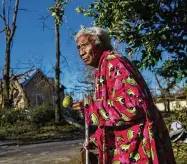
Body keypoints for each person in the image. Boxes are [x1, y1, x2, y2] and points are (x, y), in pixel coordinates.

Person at [73, 26, 176, 164]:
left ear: (99, 43)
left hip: (140, 146)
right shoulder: (101, 70)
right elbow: (113, 115)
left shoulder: (114, 61)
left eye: (85, 45)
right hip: (127, 146)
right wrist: (97, 138)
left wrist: (91, 108)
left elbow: (134, 105)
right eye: (79, 48)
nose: (81, 52)